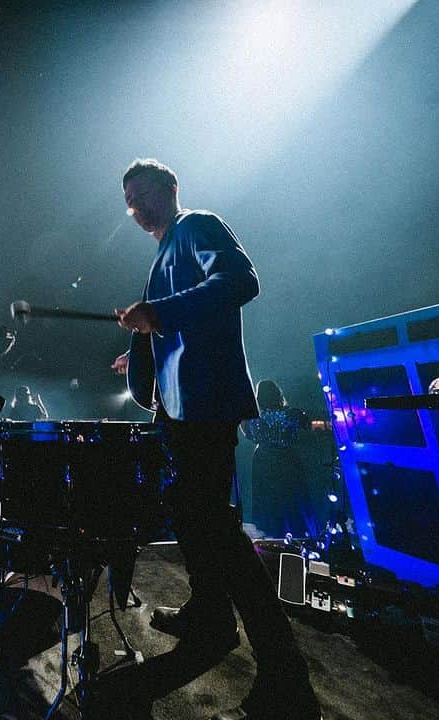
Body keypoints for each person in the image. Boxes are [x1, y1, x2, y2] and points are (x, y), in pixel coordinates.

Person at [112, 159, 321, 720]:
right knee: (189, 513)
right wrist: (139, 347)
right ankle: (209, 615)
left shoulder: (198, 225)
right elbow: (174, 332)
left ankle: (287, 680)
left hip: (206, 406)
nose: (134, 206)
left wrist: (158, 313)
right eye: (128, 199)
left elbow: (239, 282)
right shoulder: (164, 254)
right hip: (181, 409)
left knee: (219, 532)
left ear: (170, 189)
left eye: (142, 194)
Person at [242, 379, 314, 539]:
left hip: (263, 462)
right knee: (292, 501)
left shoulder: (252, 419)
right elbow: (308, 426)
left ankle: (271, 538)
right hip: (287, 459)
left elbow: (247, 434)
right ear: (277, 394)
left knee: (267, 503)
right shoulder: (292, 414)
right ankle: (298, 538)